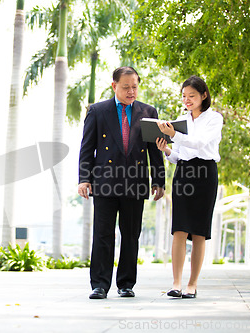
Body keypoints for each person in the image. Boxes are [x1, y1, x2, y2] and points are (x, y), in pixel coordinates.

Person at [78, 66, 166, 299]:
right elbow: (87, 149)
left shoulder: (148, 112)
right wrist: (84, 179)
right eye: (126, 87)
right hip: (105, 181)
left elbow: (154, 151)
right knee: (103, 234)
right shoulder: (97, 111)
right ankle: (100, 284)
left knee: (131, 235)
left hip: (135, 182)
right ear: (114, 85)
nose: (131, 91)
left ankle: (126, 283)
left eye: (134, 87)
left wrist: (158, 180)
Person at [156, 75, 223, 299]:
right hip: (183, 173)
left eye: (191, 96)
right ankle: (176, 283)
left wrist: (174, 134)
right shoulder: (180, 120)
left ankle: (192, 285)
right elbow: (179, 156)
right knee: (179, 229)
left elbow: (199, 143)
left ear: (204, 95)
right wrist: (166, 149)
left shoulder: (214, 119)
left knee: (198, 232)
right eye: (184, 96)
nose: (187, 100)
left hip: (205, 174)